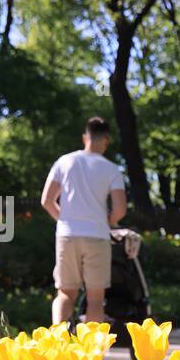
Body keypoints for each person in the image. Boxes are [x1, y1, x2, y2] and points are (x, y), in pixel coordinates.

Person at [42, 117, 127, 326]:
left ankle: (57, 342)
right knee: (95, 298)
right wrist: (107, 220)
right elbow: (120, 209)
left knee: (65, 293)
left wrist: (63, 220)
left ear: (84, 137)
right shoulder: (111, 169)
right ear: (106, 140)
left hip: (67, 234)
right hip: (97, 236)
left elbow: (47, 200)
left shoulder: (65, 161)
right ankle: (93, 352)